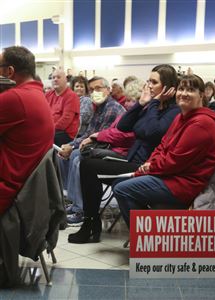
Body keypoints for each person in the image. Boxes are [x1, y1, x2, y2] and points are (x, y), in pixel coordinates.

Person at [68, 64, 181, 243]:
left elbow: (152, 131)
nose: (149, 85)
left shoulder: (173, 111)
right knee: (87, 163)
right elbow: (123, 126)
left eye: (154, 82)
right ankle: (90, 222)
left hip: (146, 167)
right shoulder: (151, 107)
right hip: (132, 160)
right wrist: (141, 103)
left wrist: (151, 104)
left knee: (89, 166)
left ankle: (90, 224)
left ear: (167, 86)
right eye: (148, 81)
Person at [113, 74, 215, 227]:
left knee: (122, 189)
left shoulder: (202, 123)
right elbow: (162, 145)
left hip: (184, 183)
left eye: (190, 90)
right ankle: (150, 235)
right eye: (181, 89)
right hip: (170, 176)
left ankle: (147, 238)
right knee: (119, 182)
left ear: (202, 95)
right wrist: (150, 162)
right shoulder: (181, 117)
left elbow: (175, 161)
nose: (183, 93)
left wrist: (151, 167)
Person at [65, 79, 144, 226]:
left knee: (80, 158)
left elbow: (122, 135)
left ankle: (83, 211)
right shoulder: (100, 108)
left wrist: (97, 137)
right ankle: (75, 203)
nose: (127, 104)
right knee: (73, 154)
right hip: (114, 147)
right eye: (92, 89)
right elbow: (96, 132)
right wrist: (73, 144)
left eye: (131, 100)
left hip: (121, 153)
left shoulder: (115, 109)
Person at [0, 46, 54, 215]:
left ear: (9, 71)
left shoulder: (14, 98)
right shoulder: (37, 94)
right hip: (27, 186)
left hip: (9, 188)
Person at [46, 69, 80, 146]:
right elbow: (41, 113)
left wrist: (47, 130)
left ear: (65, 80)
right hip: (50, 130)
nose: (55, 79)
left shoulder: (71, 96)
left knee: (40, 138)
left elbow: (65, 121)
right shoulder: (48, 94)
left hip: (65, 133)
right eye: (53, 77)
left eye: (58, 77)